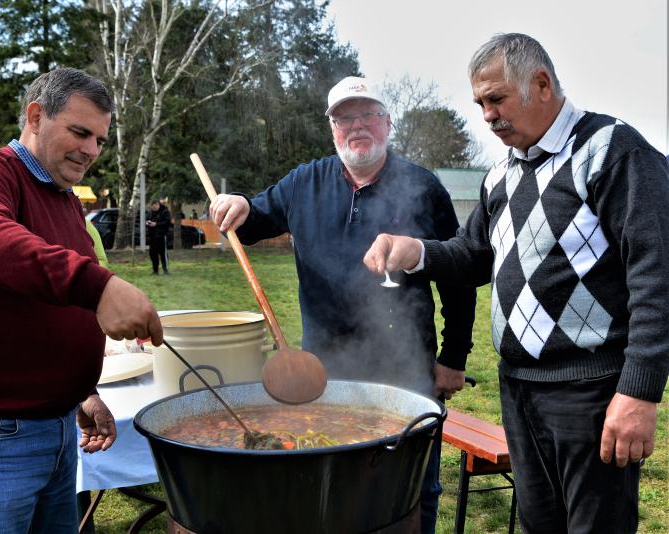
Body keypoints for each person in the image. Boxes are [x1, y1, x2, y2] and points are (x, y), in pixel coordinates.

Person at [364, 33, 669, 534]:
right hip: (520, 389)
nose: (487, 115)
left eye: (497, 98)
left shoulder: (612, 150)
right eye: (480, 103)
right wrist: (414, 251)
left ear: (541, 84)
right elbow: (472, 256)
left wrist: (639, 391)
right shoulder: (501, 175)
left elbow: (656, 273)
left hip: (591, 392)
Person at [211, 76, 476, 534]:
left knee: (414, 489)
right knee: (329, 486)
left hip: (406, 368)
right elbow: (254, 217)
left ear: (387, 123)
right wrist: (237, 204)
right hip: (324, 369)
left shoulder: (422, 186)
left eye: (368, 114)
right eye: (344, 117)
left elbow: (458, 277)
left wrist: (452, 359)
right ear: (332, 127)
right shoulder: (303, 182)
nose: (357, 126)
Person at [0, 67, 163, 533]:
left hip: (56, 424)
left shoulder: (64, 198)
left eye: (100, 140)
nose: (91, 149)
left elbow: (51, 301)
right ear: (35, 116)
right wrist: (101, 286)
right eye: (80, 132)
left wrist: (79, 392)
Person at [146, 198, 171, 274]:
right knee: (153, 254)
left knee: (163, 253)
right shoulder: (150, 213)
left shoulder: (165, 211)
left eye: (155, 206)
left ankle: (165, 270)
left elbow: (167, 222)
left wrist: (156, 224)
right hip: (152, 236)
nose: (154, 208)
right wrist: (148, 223)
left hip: (162, 235)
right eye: (152, 207)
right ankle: (155, 270)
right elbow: (147, 220)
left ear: (158, 204)